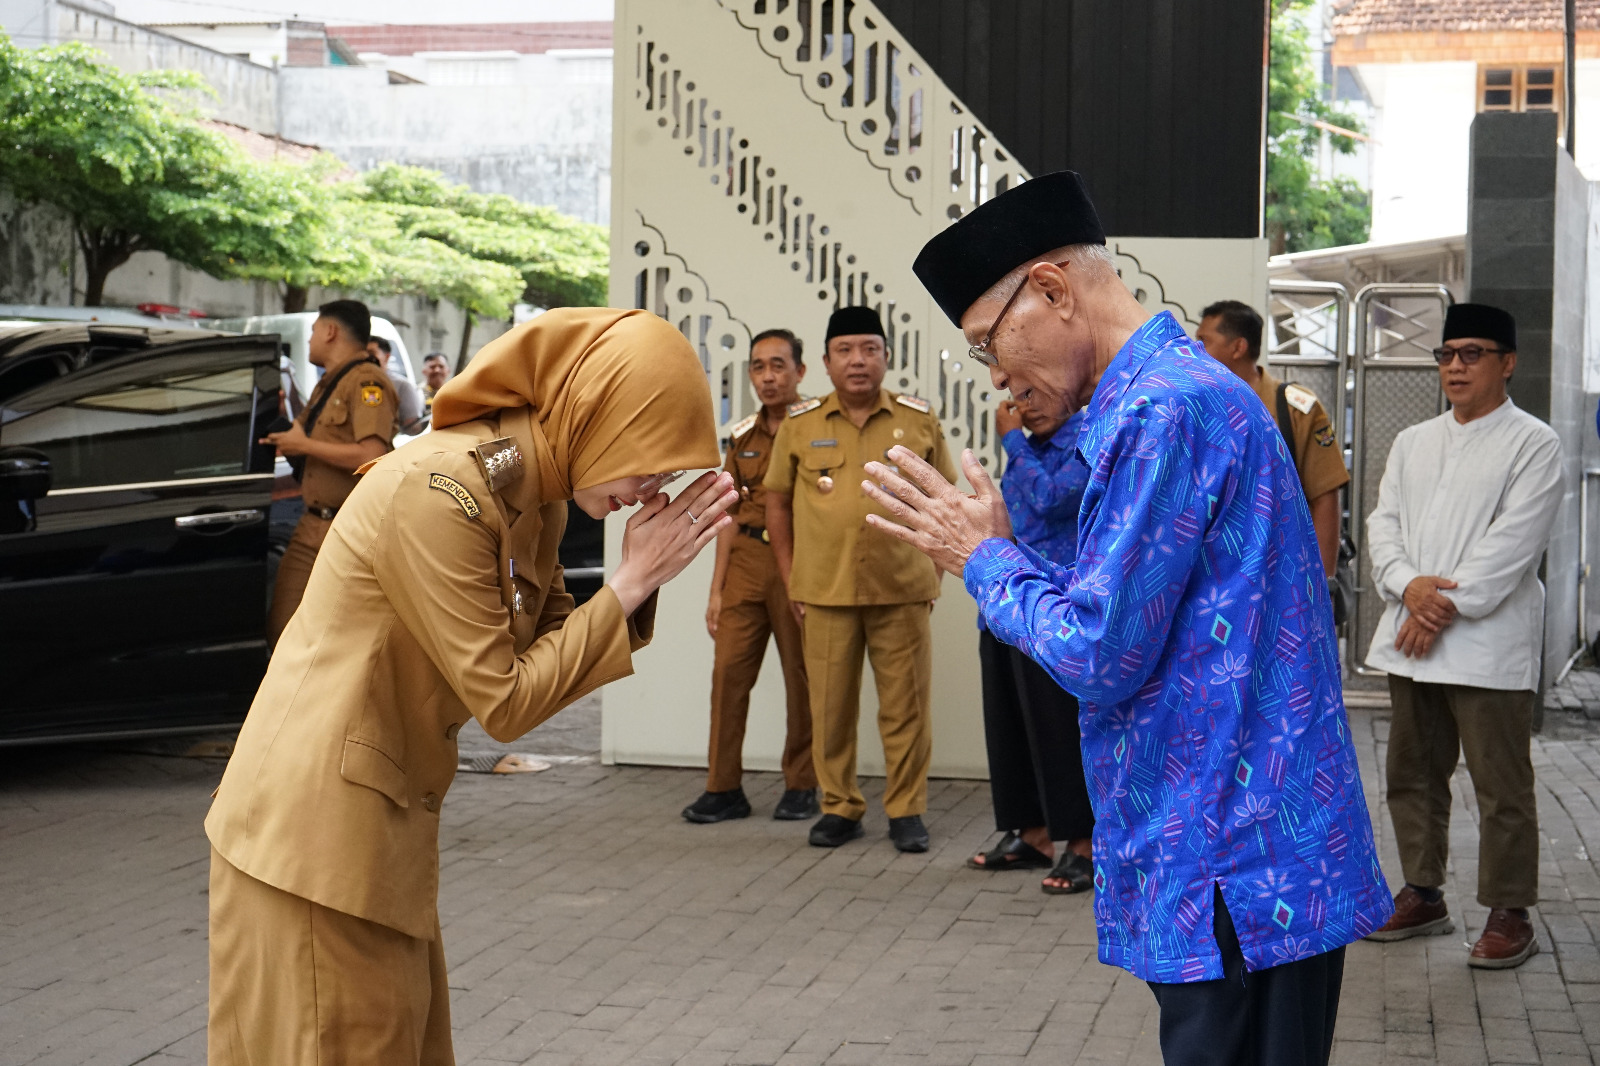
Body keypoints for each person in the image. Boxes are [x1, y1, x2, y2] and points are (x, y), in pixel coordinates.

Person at [864, 171, 1390, 1066]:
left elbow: (1100, 651)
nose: (996, 374)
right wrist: (1004, 550)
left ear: (1055, 290)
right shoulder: (1161, 399)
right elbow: (1123, 603)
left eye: (989, 343)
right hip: (1244, 849)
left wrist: (980, 558)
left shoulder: (1163, 412)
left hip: (1236, 864)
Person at [206, 308, 739, 1065]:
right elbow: (509, 702)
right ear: (591, 414)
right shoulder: (441, 491)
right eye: (648, 455)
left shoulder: (533, 492)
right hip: (312, 845)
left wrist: (634, 583)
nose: (654, 483)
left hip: (372, 839)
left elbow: (553, 656)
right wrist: (633, 579)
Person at [1361, 303, 1562, 970]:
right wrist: (1406, 587)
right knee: (1411, 773)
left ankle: (1510, 912)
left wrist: (1437, 605)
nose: (1455, 366)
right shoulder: (1415, 440)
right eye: (1447, 354)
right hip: (1412, 641)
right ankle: (1423, 892)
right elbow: (1381, 524)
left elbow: (1513, 546)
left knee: (1500, 785)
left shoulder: (1534, 443)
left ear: (1508, 362)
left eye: (1473, 353)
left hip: (1485, 644)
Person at [765, 306, 955, 852]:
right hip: (823, 589)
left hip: (903, 588)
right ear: (825, 362)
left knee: (906, 708)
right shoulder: (801, 424)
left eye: (870, 349)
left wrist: (936, 566)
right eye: (845, 350)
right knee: (829, 707)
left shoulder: (917, 419)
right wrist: (790, 574)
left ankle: (906, 810)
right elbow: (776, 501)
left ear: (886, 357)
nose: (858, 361)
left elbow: (944, 495)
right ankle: (839, 807)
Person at [683, 329, 818, 824]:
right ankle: (723, 787)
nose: (768, 376)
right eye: (759, 367)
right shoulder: (741, 437)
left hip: (799, 562)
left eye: (779, 365)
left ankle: (803, 783)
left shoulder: (817, 426)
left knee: (802, 678)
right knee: (727, 676)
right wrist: (716, 590)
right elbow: (727, 515)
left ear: (800, 372)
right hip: (745, 562)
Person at [966, 397, 1095, 894]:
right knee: (1010, 725)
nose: (1027, 407)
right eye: (1018, 397)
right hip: (1004, 604)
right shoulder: (1031, 445)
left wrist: (1012, 441)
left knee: (1058, 730)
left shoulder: (1085, 439)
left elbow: (1053, 498)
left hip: (1056, 612)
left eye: (1035, 395)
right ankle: (1033, 833)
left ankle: (1082, 846)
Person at [261, 300, 399, 644]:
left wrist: (304, 446)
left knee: (338, 641)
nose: (309, 341)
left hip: (350, 529)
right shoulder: (329, 384)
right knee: (283, 629)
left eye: (313, 332)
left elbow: (373, 455)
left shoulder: (368, 383)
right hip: (312, 524)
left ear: (330, 331)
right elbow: (306, 438)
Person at [1197, 300, 1348, 580]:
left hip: (1282, 575)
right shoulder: (1199, 407)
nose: (1197, 350)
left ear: (1238, 347)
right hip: (1215, 576)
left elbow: (1325, 496)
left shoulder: (1295, 409)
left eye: (1204, 341)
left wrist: (1322, 583)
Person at [370, 334, 428, 435]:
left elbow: (412, 429)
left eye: (371, 353)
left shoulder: (402, 386)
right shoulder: (353, 382)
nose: (367, 357)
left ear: (387, 357)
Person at [422, 352, 451, 418]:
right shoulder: (417, 394)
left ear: (448, 370)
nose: (437, 370)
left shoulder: (454, 393)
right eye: (432, 367)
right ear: (424, 371)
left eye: (441, 366)